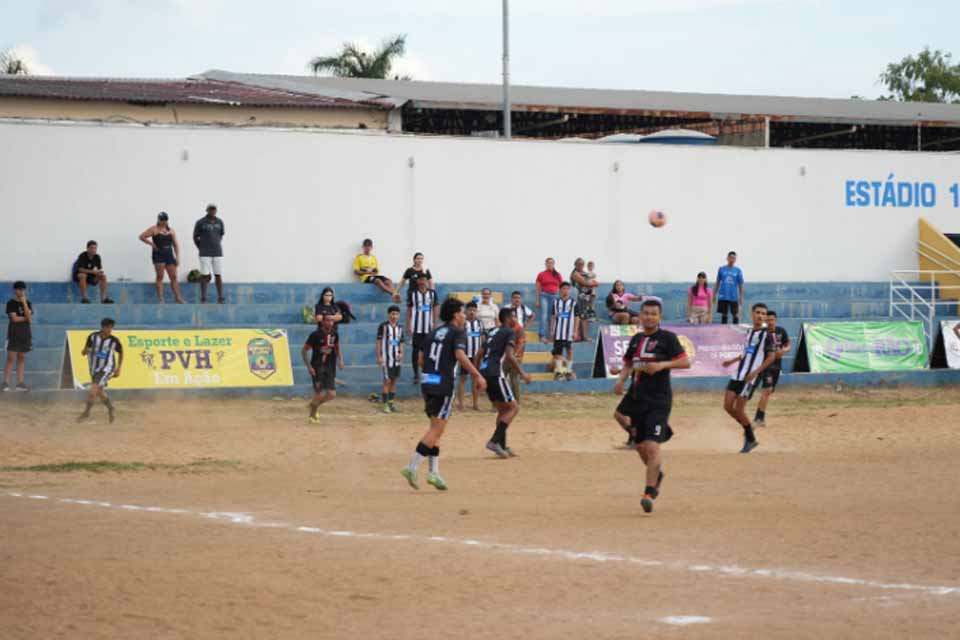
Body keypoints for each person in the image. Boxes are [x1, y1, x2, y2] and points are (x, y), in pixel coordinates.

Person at [400, 298, 486, 492]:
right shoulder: (458, 332)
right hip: (443, 385)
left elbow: (420, 359)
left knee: (435, 428)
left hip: (427, 382)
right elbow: (460, 355)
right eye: (462, 312)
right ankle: (412, 467)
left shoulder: (433, 332)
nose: (464, 316)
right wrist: (477, 375)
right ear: (456, 315)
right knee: (437, 429)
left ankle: (434, 472)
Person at [613, 299, 690, 514]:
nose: (649, 317)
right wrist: (620, 380)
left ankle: (649, 492)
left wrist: (662, 365)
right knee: (639, 445)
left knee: (652, 446)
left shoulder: (668, 338)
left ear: (659, 317)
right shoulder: (637, 339)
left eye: (653, 314)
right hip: (637, 395)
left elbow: (685, 362)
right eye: (645, 313)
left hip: (659, 399)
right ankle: (656, 473)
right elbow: (629, 363)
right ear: (640, 315)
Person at [722, 303, 778, 453]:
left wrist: (756, 372)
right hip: (738, 374)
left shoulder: (767, 335)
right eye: (758, 312)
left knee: (739, 409)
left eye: (763, 314)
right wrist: (732, 361)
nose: (760, 316)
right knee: (727, 406)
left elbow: (771, 357)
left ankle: (750, 438)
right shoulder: (749, 332)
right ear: (752, 314)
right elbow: (747, 352)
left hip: (751, 378)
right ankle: (748, 431)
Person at [477, 307, 533, 458]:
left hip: (485, 372)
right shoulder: (509, 332)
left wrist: (477, 375)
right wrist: (523, 374)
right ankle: (494, 441)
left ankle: (501, 446)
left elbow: (479, 354)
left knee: (503, 410)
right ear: (508, 318)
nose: (515, 319)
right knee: (514, 407)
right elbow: (509, 355)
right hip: (496, 373)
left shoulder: (492, 332)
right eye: (513, 316)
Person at [77, 318, 123, 423]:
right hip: (94, 368)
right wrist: (85, 351)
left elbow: (121, 352)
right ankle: (111, 408)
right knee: (99, 391)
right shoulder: (92, 337)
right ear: (103, 327)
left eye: (111, 328)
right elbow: (85, 350)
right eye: (108, 328)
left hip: (107, 368)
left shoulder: (114, 341)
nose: (110, 330)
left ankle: (86, 413)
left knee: (93, 390)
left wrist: (119, 368)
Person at [303, 315, 344, 424]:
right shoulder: (315, 335)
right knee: (320, 393)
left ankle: (313, 405)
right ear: (323, 322)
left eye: (332, 320)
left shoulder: (334, 334)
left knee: (332, 394)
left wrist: (340, 360)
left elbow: (337, 347)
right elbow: (304, 350)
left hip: (330, 367)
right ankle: (312, 416)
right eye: (328, 320)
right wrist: (309, 366)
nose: (330, 323)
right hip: (317, 367)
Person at [138, 211, 185, 304]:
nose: (163, 221)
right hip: (159, 254)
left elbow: (175, 245)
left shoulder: (171, 230)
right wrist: (151, 244)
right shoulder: (154, 229)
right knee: (160, 276)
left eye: (165, 220)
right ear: (158, 220)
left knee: (174, 277)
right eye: (162, 220)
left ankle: (177, 297)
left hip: (169, 254)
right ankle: (161, 299)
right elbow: (142, 236)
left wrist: (177, 257)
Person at [754, 310, 791, 427]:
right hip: (766, 365)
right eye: (768, 320)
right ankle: (759, 418)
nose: (770, 322)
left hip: (777, 366)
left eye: (772, 320)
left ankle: (759, 416)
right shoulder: (762, 333)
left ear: (776, 320)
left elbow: (787, 344)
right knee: (767, 390)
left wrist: (783, 351)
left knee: (769, 391)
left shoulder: (781, 331)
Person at [406, 274, 438, 384]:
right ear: (417, 281)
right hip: (416, 328)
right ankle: (416, 374)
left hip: (429, 328)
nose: (422, 281)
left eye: (424, 279)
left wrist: (435, 324)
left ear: (426, 281)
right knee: (415, 351)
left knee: (429, 351)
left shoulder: (432, 293)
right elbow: (409, 310)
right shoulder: (412, 294)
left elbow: (435, 308)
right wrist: (408, 325)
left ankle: (427, 373)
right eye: (420, 279)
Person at [505, 291, 535, 401]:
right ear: (511, 299)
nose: (516, 299)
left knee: (515, 367)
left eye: (518, 298)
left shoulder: (523, 308)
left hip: (519, 337)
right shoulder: (506, 308)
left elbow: (532, 315)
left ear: (521, 299)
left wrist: (526, 325)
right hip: (508, 336)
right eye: (514, 297)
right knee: (505, 371)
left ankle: (514, 398)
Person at [3, 281, 33, 392]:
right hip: (14, 333)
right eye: (19, 289)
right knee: (11, 358)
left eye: (23, 289)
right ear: (15, 290)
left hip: (25, 333)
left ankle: (20, 383)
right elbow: (14, 319)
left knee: (22, 357)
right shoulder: (10, 303)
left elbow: (30, 319)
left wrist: (24, 303)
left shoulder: (28, 302)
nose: (21, 291)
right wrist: (26, 317)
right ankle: (5, 383)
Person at [193, 203, 226, 304]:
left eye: (214, 209)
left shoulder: (220, 222)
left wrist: (215, 243)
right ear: (207, 210)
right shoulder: (200, 222)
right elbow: (195, 236)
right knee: (205, 275)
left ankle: (220, 297)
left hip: (217, 252)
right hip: (204, 253)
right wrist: (200, 247)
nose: (212, 211)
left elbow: (221, 235)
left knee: (218, 274)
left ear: (216, 210)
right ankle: (203, 298)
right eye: (210, 209)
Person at [376, 305, 405, 414]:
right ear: (389, 314)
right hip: (386, 359)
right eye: (392, 314)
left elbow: (401, 342)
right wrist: (379, 356)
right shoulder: (383, 326)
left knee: (394, 380)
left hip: (396, 359)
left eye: (396, 314)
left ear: (399, 315)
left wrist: (401, 353)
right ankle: (385, 404)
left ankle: (391, 403)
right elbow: (378, 342)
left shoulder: (400, 328)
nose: (394, 316)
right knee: (387, 381)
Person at [456, 302, 484, 411]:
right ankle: (461, 404)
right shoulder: (462, 323)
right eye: (470, 310)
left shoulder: (480, 323)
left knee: (475, 379)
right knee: (462, 379)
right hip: (465, 355)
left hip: (476, 356)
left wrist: (482, 352)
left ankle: (475, 404)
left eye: (474, 310)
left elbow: (482, 338)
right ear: (466, 311)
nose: (472, 312)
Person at [551, 282, 577, 378]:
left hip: (569, 332)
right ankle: (559, 372)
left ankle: (568, 371)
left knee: (569, 351)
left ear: (569, 290)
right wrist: (551, 330)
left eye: (567, 288)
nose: (565, 290)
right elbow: (553, 316)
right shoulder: (556, 302)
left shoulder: (573, 303)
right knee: (558, 352)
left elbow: (577, 317)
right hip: (558, 332)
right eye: (563, 288)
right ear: (560, 290)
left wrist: (575, 331)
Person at [535, 257, 563, 343]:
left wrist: (561, 300)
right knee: (544, 316)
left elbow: (562, 287)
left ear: (554, 264)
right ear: (546, 264)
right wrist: (537, 300)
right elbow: (538, 288)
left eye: (551, 263)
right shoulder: (541, 274)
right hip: (544, 296)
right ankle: (542, 335)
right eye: (548, 263)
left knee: (552, 316)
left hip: (554, 296)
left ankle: (551, 335)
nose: (550, 264)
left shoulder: (557, 275)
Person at [570, 258, 599, 342]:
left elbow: (591, 280)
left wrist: (593, 286)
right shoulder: (575, 273)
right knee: (582, 317)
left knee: (585, 317)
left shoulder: (584, 273)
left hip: (587, 297)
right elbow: (585, 283)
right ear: (575, 265)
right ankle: (584, 336)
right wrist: (594, 283)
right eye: (579, 264)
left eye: (582, 264)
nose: (581, 265)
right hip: (580, 297)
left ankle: (582, 336)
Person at [715, 251, 744, 324]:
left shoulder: (738, 270)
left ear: (735, 260)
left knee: (735, 314)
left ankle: (736, 328)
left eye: (734, 258)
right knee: (724, 314)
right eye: (730, 257)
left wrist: (741, 297)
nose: (732, 259)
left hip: (733, 296)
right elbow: (717, 282)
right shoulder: (721, 269)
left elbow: (740, 284)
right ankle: (723, 328)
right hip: (723, 295)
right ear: (727, 258)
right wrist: (714, 294)